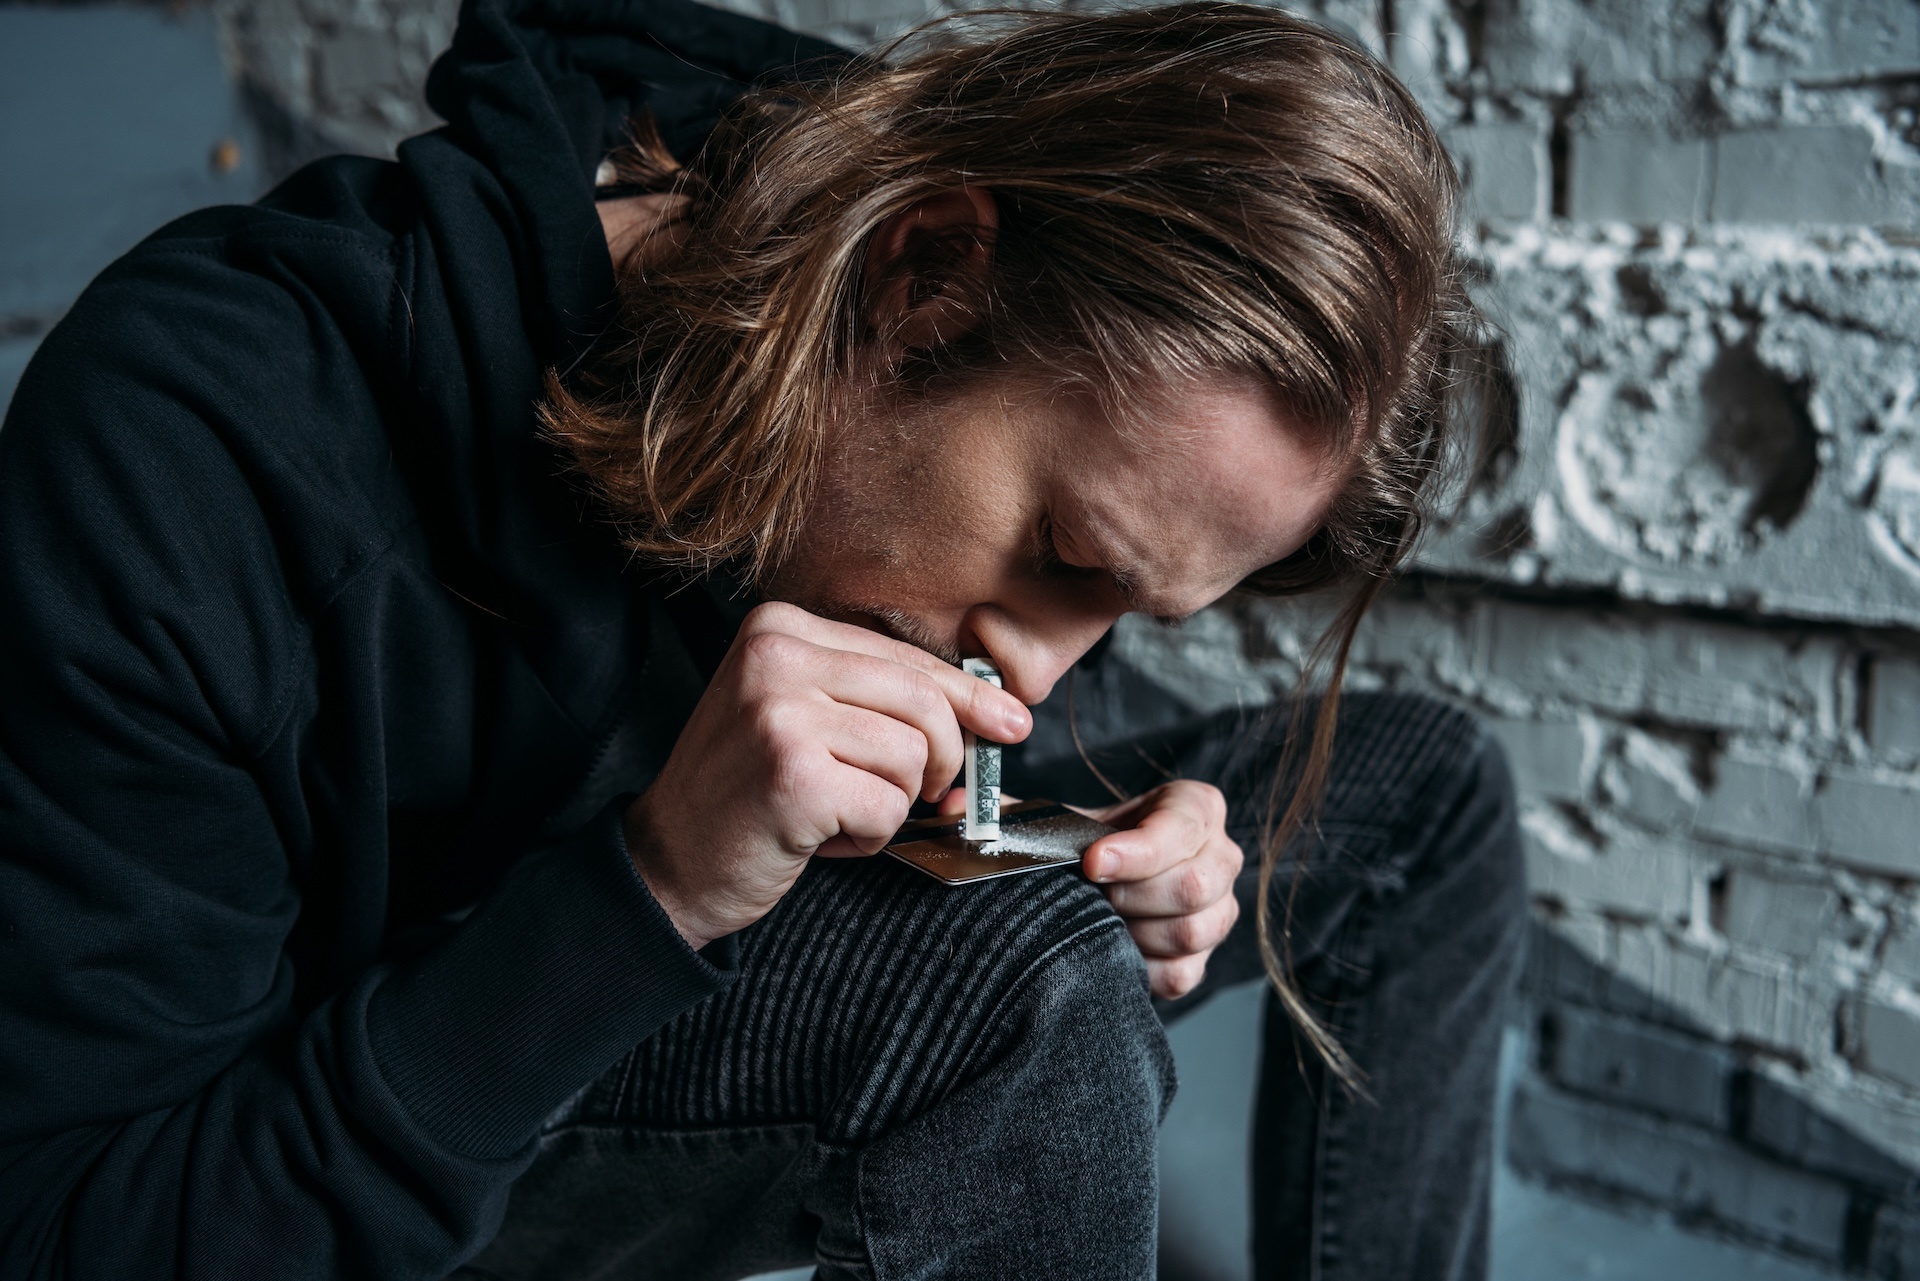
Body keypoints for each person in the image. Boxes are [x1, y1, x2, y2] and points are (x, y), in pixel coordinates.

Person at [0, 0, 1524, 1276]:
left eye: (1128, 604)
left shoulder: (849, 251)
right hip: (422, 1069)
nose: (1047, 668)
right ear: (924, 276)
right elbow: (79, 1228)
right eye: (1063, 554)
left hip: (684, 888)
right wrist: (650, 889)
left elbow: (1000, 734)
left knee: (1425, 790)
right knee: (1016, 983)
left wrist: (1073, 838)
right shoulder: (186, 444)